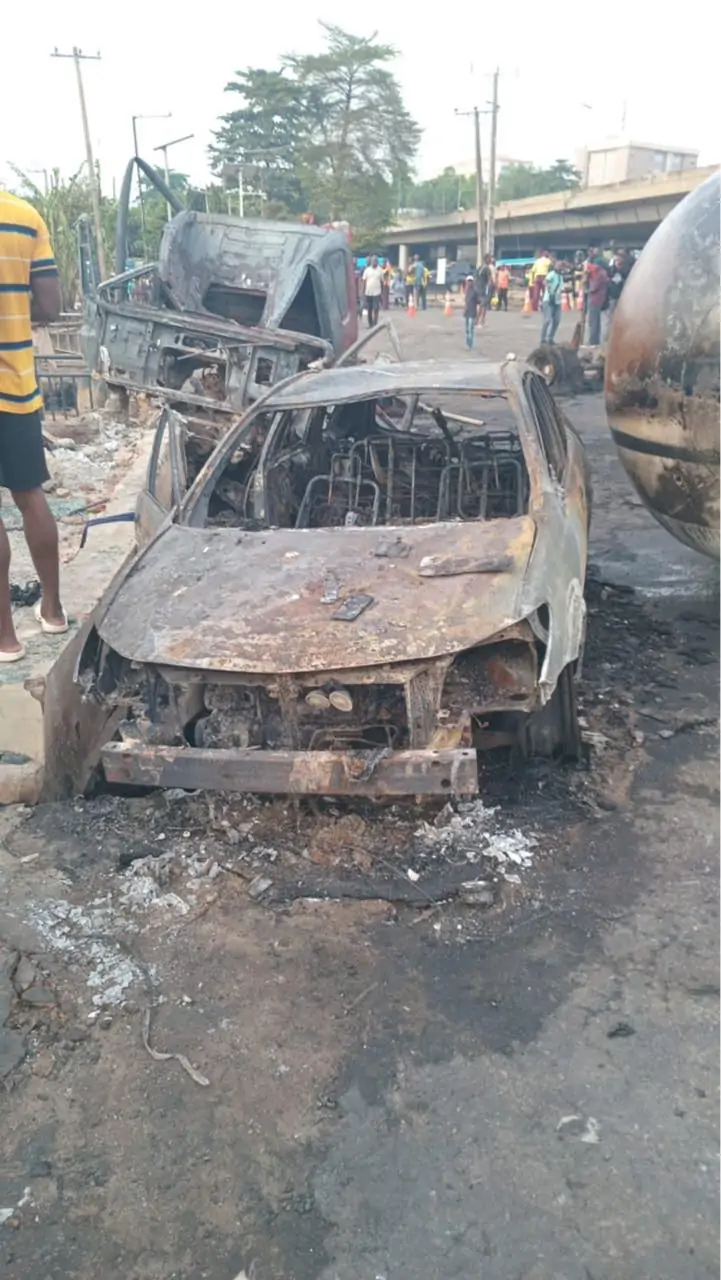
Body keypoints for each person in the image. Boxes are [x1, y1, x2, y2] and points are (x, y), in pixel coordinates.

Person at [0, 189, 65, 661]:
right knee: (30, 496)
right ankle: (54, 609)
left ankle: (5, 639)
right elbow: (50, 306)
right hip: (16, 386)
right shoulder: (24, 216)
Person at [603, 248, 632, 340]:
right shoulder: (610, 270)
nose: (618, 262)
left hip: (622, 297)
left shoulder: (626, 270)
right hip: (612, 296)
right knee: (609, 319)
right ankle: (607, 338)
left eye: (619, 260)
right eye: (616, 260)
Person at [585, 252, 609, 345]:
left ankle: (593, 340)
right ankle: (595, 340)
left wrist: (587, 288)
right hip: (600, 299)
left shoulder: (599, 274)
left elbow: (594, 287)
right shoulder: (604, 273)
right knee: (596, 321)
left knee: (593, 321)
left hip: (595, 299)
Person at [540, 259, 564, 344]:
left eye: (561, 266)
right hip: (549, 299)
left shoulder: (560, 277)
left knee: (557, 320)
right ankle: (543, 339)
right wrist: (549, 287)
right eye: (558, 266)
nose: (559, 267)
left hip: (557, 301)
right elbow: (545, 281)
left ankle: (550, 338)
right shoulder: (552, 274)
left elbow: (561, 288)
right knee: (547, 320)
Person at [362, 254, 383, 328]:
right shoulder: (367, 270)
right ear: (371, 262)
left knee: (376, 308)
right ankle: (370, 324)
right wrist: (363, 291)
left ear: (377, 262)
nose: (374, 262)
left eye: (375, 261)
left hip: (377, 292)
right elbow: (364, 281)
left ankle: (375, 324)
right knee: (369, 308)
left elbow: (382, 282)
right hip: (368, 292)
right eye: (373, 261)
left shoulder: (380, 270)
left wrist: (382, 292)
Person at [463, 275, 481, 349]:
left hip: (472, 313)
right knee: (467, 329)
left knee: (470, 329)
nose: (469, 282)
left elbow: (479, 303)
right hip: (467, 312)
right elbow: (466, 302)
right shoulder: (466, 291)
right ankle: (468, 342)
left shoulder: (475, 291)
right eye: (468, 281)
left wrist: (478, 316)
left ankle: (470, 344)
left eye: (471, 281)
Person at [477, 254, 495, 325]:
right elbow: (490, 280)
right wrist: (492, 287)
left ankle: (477, 319)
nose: (491, 260)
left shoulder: (480, 267)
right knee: (484, 305)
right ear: (486, 259)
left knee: (480, 305)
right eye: (489, 258)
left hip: (478, 288)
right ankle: (482, 320)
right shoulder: (487, 268)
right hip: (484, 288)